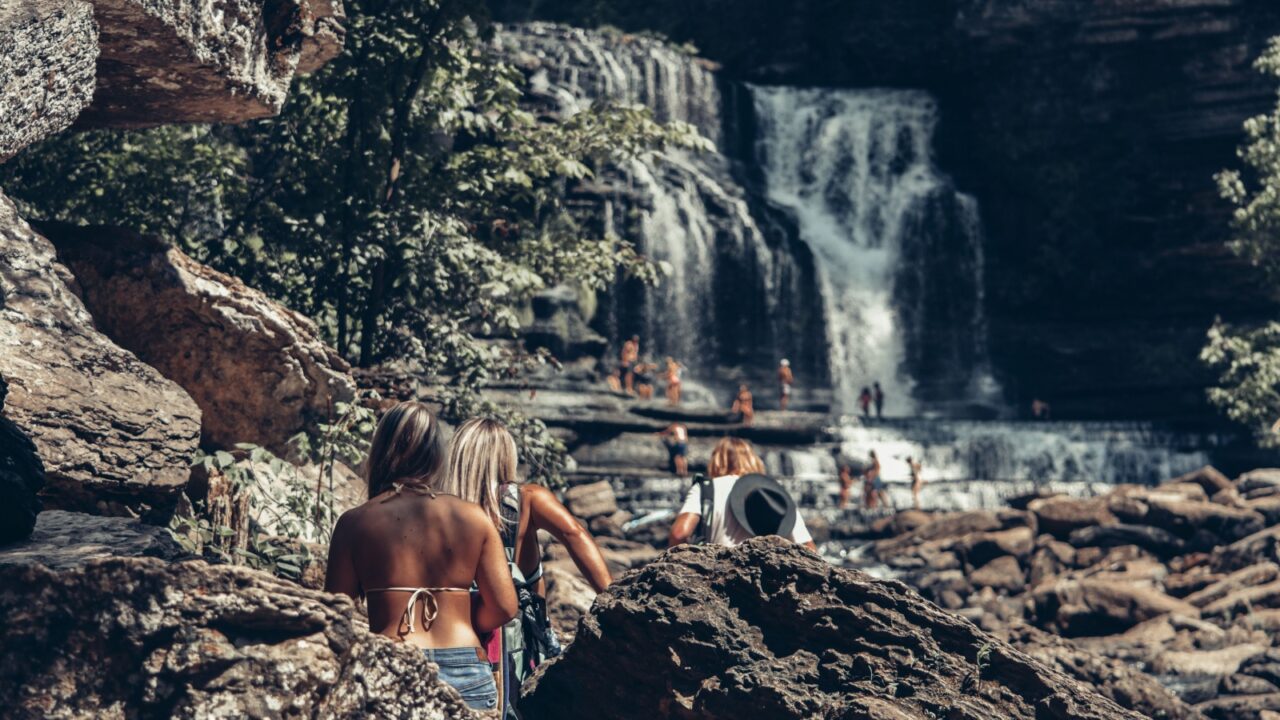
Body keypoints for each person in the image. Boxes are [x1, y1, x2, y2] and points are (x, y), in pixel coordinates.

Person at [325, 402, 516, 712]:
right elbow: (505, 607)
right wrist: (460, 612)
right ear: (436, 456)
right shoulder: (473, 517)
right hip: (466, 665)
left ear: (380, 452)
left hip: (391, 662)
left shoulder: (354, 522)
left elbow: (336, 612)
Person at [436, 418, 613, 717]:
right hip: (515, 648)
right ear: (506, 455)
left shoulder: (437, 510)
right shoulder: (526, 500)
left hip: (453, 642)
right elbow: (575, 534)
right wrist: (615, 598)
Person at [668, 437, 816, 550]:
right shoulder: (774, 492)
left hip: (715, 573)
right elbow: (809, 549)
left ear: (717, 461)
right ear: (753, 460)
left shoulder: (706, 488)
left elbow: (679, 533)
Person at [830, 446, 857, 510]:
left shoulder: (844, 475)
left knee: (844, 502)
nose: (848, 469)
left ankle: (841, 507)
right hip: (844, 491)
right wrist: (853, 481)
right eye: (847, 468)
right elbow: (846, 484)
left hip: (844, 491)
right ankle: (841, 508)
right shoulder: (844, 475)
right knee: (843, 502)